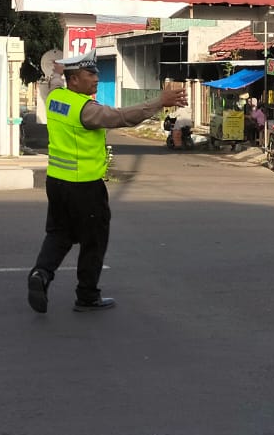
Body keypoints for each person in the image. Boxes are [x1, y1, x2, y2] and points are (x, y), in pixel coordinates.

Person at [28, 49, 187, 314]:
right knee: (94, 239)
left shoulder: (56, 97)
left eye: (96, 74)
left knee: (58, 234)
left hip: (56, 182)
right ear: (74, 79)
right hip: (85, 186)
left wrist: (55, 73)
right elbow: (124, 117)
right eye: (90, 74)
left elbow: (55, 80)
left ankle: (40, 275)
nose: (96, 79)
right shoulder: (86, 110)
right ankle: (87, 295)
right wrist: (160, 101)